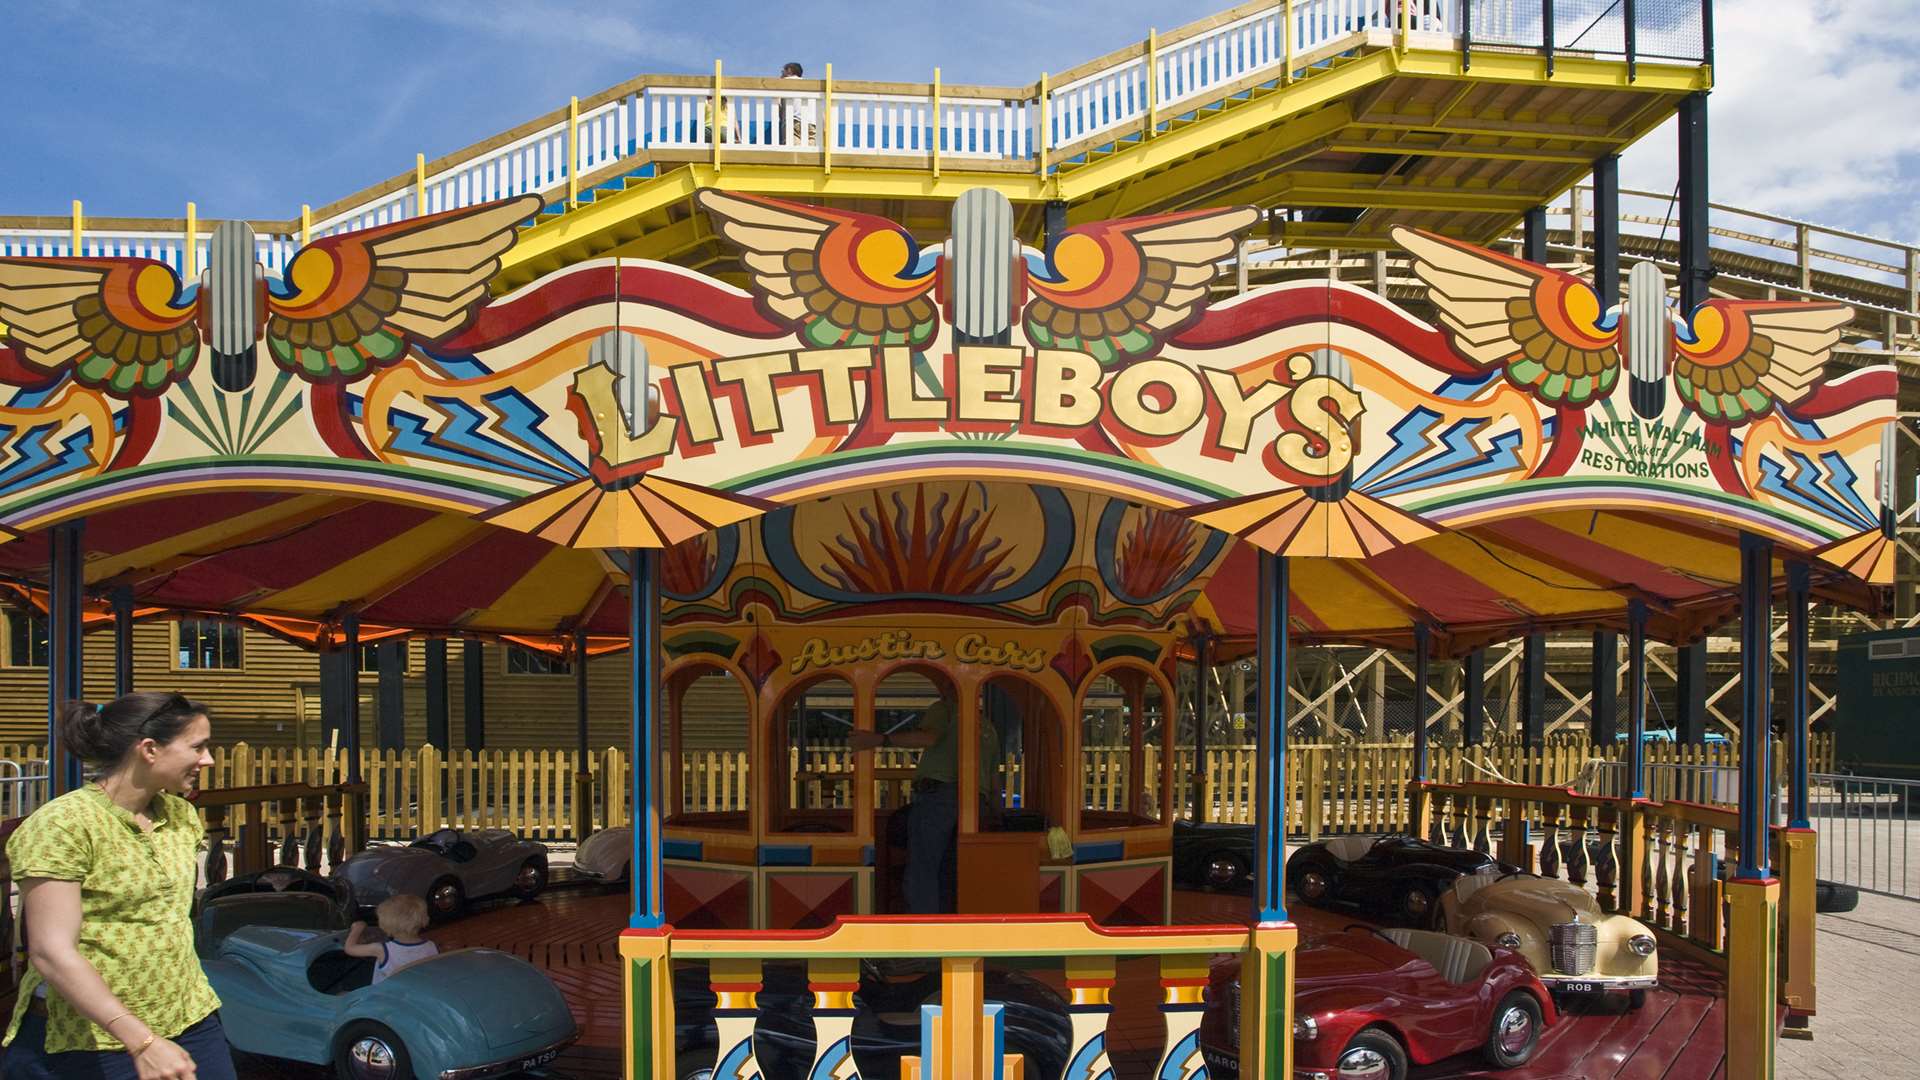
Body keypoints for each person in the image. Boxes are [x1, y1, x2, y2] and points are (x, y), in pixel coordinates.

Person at [3, 692, 229, 1080]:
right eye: (198, 747)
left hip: (189, 1017)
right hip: (92, 1038)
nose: (207, 760)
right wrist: (142, 1041)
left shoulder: (181, 816)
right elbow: (51, 952)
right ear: (150, 750)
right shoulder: (63, 825)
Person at [852, 696, 1000, 913]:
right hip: (977, 804)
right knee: (953, 871)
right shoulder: (989, 728)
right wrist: (997, 817)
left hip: (940, 798)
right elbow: (995, 783)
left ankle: (924, 930)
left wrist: (879, 739)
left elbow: (928, 737)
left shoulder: (946, 708)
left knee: (924, 870)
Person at [343, 895, 439, 984]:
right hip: (414, 991)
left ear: (385, 924)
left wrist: (357, 929)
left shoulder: (382, 950)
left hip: (387, 997)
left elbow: (349, 948)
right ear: (424, 919)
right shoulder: (431, 945)